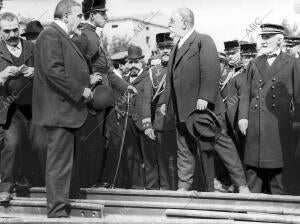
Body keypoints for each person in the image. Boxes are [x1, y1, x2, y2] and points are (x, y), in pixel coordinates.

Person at [32, 0, 92, 217]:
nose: (81, 21)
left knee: (63, 163)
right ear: (66, 16)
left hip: (64, 111)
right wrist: (81, 90)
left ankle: (60, 207)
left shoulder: (61, 36)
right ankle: (57, 212)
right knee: (59, 164)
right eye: (78, 16)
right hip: (58, 111)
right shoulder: (50, 35)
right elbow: (54, 71)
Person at [163, 7, 221, 191]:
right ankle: (184, 187)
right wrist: (166, 101)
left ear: (185, 23)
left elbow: (212, 70)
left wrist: (204, 96)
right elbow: (170, 79)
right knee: (184, 149)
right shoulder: (176, 46)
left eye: (173, 21)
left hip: (199, 109)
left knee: (204, 150)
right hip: (180, 110)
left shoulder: (202, 40)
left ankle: (208, 190)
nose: (169, 25)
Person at [239, 23, 300, 194]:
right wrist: (243, 117)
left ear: (279, 40)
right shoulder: (254, 62)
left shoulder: (292, 62)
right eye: (262, 37)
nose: (263, 41)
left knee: (277, 179)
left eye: (268, 38)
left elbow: (299, 95)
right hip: (255, 127)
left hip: (278, 128)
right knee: (253, 173)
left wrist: (297, 121)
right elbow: (245, 93)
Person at [0, 12, 35, 202]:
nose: (12, 34)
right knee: (11, 144)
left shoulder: (32, 48)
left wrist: (35, 71)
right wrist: (2, 75)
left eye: (15, 30)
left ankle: (27, 182)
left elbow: (49, 70)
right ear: (0, 32)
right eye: (7, 31)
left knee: (36, 143)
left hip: (33, 106)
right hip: (9, 108)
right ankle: (5, 187)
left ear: (20, 28)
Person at [214, 40, 250, 193]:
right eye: (228, 53)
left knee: (243, 153)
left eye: (233, 53)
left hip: (240, 118)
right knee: (227, 154)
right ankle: (228, 182)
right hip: (224, 120)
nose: (230, 57)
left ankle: (244, 184)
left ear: (241, 52)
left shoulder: (247, 71)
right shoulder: (222, 71)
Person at [122, 45, 158, 189]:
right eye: (130, 62)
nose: (133, 66)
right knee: (132, 156)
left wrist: (147, 123)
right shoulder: (124, 79)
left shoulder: (147, 76)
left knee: (149, 156)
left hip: (144, 122)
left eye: (136, 62)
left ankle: (153, 188)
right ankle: (137, 187)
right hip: (128, 122)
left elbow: (147, 100)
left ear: (141, 61)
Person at [146, 32, 177, 190]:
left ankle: (179, 189)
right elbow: (147, 99)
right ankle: (165, 190)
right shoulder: (153, 72)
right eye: (162, 48)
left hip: (178, 121)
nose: (165, 51)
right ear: (158, 50)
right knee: (162, 159)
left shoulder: (179, 67)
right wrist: (148, 124)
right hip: (159, 121)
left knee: (179, 159)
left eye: (168, 47)